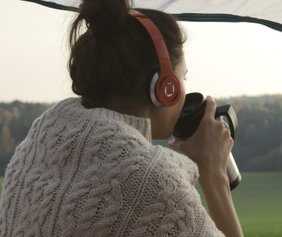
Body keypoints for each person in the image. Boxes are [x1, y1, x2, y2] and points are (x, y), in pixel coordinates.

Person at [0, 0, 243, 236]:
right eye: (183, 77)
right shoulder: (155, 185)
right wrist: (214, 174)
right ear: (163, 87)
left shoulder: (43, 134)